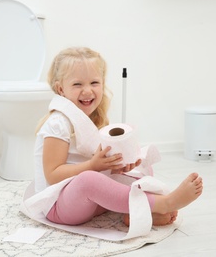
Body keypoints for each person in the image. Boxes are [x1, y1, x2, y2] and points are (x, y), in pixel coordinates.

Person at [33, 47, 203, 227]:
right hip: (58, 206)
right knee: (88, 180)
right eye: (77, 84)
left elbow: (100, 167)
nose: (88, 90)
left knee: (143, 168)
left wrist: (117, 166)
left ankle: (135, 212)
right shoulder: (58, 123)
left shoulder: (92, 119)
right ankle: (163, 203)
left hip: (87, 203)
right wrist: (93, 166)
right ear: (61, 89)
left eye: (94, 82)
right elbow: (52, 175)